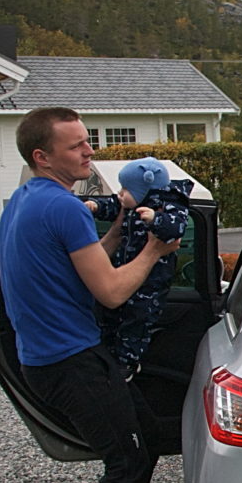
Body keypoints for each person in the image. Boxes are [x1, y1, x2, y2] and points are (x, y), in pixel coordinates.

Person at [0, 108, 191, 483]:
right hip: (71, 360)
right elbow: (109, 292)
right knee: (125, 460)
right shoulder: (63, 207)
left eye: (87, 142)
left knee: (145, 434)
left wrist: (123, 228)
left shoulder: (27, 200)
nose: (90, 152)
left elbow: (91, 256)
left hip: (59, 353)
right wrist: (153, 250)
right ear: (43, 156)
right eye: (77, 146)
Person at [81, 156, 193, 380]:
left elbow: (176, 228)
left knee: (137, 321)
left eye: (126, 189)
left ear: (145, 191)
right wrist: (95, 206)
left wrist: (155, 220)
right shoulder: (130, 206)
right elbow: (112, 205)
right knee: (111, 315)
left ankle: (128, 362)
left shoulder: (169, 206)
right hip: (125, 275)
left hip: (150, 284)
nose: (121, 194)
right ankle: (110, 354)